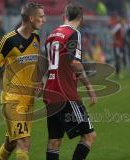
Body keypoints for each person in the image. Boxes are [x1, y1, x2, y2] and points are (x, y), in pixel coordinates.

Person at [0, 2, 46, 160]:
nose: (44, 20)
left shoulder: (36, 38)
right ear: (31, 18)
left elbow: (35, 63)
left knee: (10, 143)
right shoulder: (8, 40)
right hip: (13, 99)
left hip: (28, 100)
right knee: (23, 142)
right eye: (41, 16)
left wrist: (38, 82)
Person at [43, 3, 97, 160]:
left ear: (64, 16)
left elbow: (48, 64)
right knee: (89, 135)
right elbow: (74, 63)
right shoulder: (74, 33)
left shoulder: (52, 34)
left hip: (51, 93)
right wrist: (90, 88)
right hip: (66, 94)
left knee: (54, 141)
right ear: (81, 18)